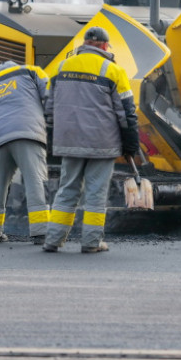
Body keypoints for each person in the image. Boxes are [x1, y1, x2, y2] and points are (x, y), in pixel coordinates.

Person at [43, 26, 140, 254]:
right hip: (102, 143)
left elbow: (49, 107)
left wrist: (51, 135)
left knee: (67, 189)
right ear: (105, 46)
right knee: (95, 193)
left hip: (69, 141)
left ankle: (53, 240)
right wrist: (130, 143)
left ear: (85, 44)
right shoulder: (113, 70)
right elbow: (126, 112)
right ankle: (91, 242)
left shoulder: (60, 67)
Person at [0, 60, 51, 245]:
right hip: (27, 132)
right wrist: (51, 123)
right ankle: (41, 231)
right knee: (34, 180)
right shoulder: (31, 72)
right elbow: (50, 95)